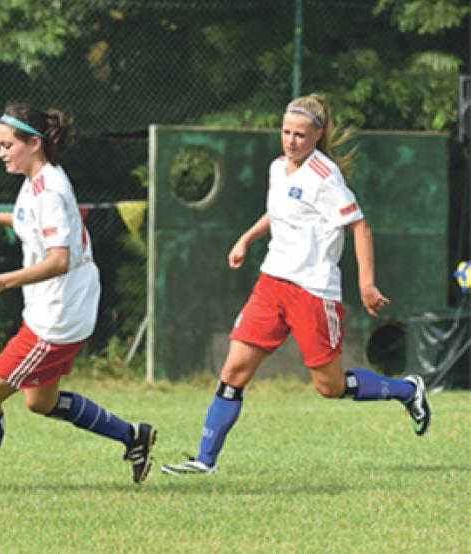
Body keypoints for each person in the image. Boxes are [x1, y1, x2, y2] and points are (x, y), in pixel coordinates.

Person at [161, 93, 431, 477]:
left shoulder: (325, 176)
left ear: (317, 135)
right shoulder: (278, 168)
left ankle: (408, 391)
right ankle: (205, 460)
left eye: (300, 135)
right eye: (286, 132)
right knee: (235, 368)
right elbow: (277, 211)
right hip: (272, 283)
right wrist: (246, 238)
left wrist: (367, 284)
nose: (290, 141)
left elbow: (360, 226)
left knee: (329, 386)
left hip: (312, 291)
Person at [0, 103, 157, 491]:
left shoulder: (50, 190)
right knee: (40, 401)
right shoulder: (37, 180)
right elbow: (30, 219)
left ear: (34, 143)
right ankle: (133, 436)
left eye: (7, 145)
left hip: (56, 317)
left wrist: (2, 282)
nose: (0, 153)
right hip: (56, 307)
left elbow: (59, 260)